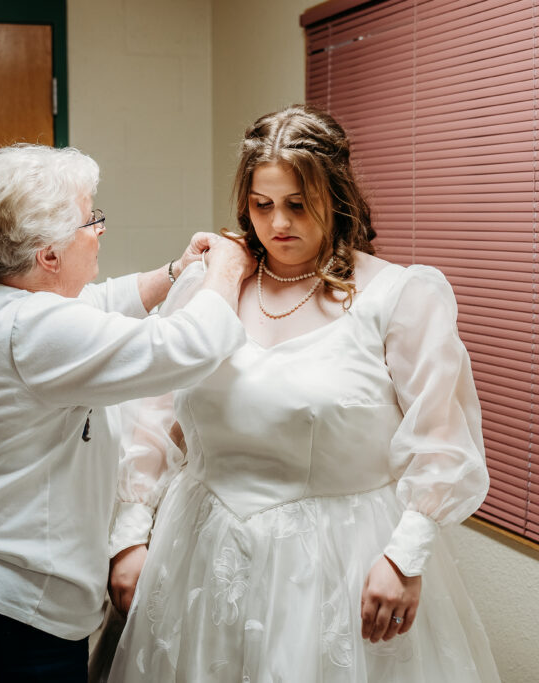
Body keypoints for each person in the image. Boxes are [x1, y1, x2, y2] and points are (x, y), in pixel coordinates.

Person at [103, 106, 501, 681]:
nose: (278, 224)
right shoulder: (208, 285)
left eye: (297, 204)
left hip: (337, 561)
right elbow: (158, 414)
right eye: (262, 205)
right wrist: (129, 533)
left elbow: (442, 440)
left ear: (335, 197)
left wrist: (405, 557)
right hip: (202, 549)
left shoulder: (400, 298)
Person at [0, 143, 255, 682]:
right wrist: (227, 268)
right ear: (49, 256)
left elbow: (95, 305)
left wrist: (175, 270)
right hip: (4, 604)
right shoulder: (35, 332)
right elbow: (188, 347)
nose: (100, 230)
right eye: (92, 219)